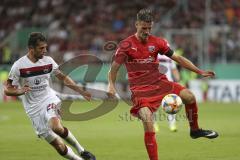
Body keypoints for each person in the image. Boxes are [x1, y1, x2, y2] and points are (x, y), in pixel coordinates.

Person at [107, 9, 218, 160]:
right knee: (147, 119)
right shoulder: (126, 45)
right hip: (140, 90)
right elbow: (113, 68)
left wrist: (199, 71)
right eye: (143, 28)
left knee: (189, 96)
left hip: (160, 83)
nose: (146, 31)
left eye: (149, 28)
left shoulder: (157, 42)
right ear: (136, 25)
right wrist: (111, 85)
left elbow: (178, 58)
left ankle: (195, 130)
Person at [4, 32, 96, 160]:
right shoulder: (18, 66)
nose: (45, 51)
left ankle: (82, 150)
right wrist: (19, 91)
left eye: (45, 47)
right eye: (41, 48)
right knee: (58, 146)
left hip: (49, 99)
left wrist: (80, 91)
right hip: (33, 110)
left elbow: (62, 77)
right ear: (31, 49)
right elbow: (7, 90)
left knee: (56, 127)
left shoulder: (49, 61)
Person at [155, 54, 180, 132]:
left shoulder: (169, 55)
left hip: (168, 83)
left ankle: (172, 124)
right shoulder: (152, 53)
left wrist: (178, 80)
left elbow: (174, 69)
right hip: (155, 82)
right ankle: (153, 124)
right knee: (154, 105)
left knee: (172, 104)